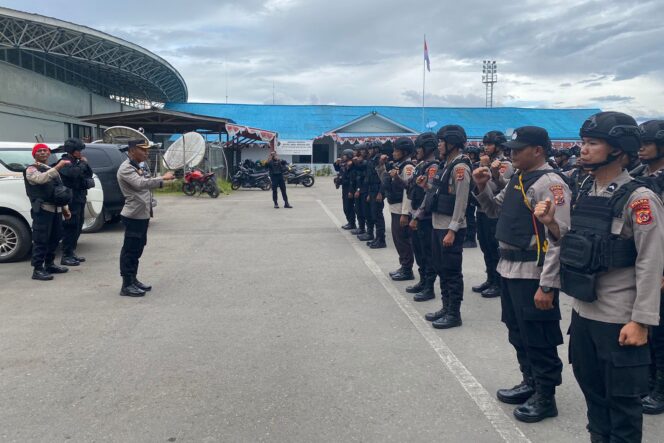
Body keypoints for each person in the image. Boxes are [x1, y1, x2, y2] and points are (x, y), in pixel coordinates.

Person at [542, 112, 664, 441]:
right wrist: (553, 224)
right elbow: (577, 245)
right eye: (583, 142)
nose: (582, 149)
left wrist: (641, 320)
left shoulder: (640, 199)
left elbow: (652, 262)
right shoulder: (586, 189)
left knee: (623, 409)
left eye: (592, 143)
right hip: (584, 313)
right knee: (594, 401)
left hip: (619, 320)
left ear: (619, 150)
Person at [473, 126, 570, 423]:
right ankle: (530, 381)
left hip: (534, 272)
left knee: (538, 335)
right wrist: (483, 186)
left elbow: (560, 237)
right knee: (518, 331)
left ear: (538, 150)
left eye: (519, 149)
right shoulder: (518, 176)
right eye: (511, 148)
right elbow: (494, 210)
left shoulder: (550, 183)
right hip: (510, 268)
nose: (512, 153)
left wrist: (548, 285)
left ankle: (545, 396)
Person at [423, 125, 471, 329]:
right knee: (441, 268)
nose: (439, 145)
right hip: (438, 223)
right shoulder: (447, 164)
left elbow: (461, 202)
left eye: (442, 141)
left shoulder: (461, 168)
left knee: (452, 271)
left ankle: (454, 313)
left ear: (452, 143)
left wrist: (453, 230)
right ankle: (445, 306)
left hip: (450, 228)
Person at [631, 119, 664, 415]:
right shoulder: (640, 175)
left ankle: (661, 388)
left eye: (647, 142)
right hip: (648, 261)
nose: (641, 147)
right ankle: (649, 380)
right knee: (649, 327)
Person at [117, 140, 175, 297]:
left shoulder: (137, 166)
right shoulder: (126, 168)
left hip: (141, 214)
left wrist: (163, 180)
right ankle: (126, 284)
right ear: (133, 150)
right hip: (133, 215)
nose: (147, 153)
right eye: (144, 150)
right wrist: (163, 178)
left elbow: (147, 182)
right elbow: (141, 184)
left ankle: (133, 279)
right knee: (130, 250)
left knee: (138, 249)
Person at [473, 131, 514, 299]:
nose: (486, 147)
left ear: (498, 146)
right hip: (482, 209)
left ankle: (498, 282)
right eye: (485, 144)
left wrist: (492, 169)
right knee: (485, 247)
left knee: (495, 248)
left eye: (489, 144)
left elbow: (500, 187)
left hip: (495, 211)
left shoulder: (505, 164)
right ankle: (490, 278)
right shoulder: (484, 162)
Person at [24, 143, 72, 280]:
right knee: (41, 239)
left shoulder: (50, 169)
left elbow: (59, 189)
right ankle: (38, 269)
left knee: (55, 238)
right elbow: (40, 179)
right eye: (39, 151)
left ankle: (50, 264)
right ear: (34, 154)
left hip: (56, 209)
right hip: (43, 210)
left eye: (45, 150)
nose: (43, 153)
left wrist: (65, 209)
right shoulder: (31, 169)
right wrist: (58, 167)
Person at [406, 133, 439, 301]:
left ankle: (429, 286)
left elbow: (430, 193)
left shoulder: (433, 167)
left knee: (427, 253)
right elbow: (410, 186)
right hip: (415, 212)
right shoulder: (421, 165)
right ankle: (422, 280)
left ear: (427, 148)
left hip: (425, 217)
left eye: (419, 147)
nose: (417, 150)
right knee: (418, 251)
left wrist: (417, 216)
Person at [54, 138, 94, 266]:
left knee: (78, 225)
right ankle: (66, 254)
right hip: (70, 198)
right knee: (70, 226)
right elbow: (73, 173)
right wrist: (82, 164)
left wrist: (84, 164)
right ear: (72, 150)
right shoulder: (64, 162)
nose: (80, 152)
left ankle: (71, 251)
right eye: (78, 150)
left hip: (80, 197)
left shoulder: (77, 161)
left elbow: (89, 173)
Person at [380, 137, 416, 279]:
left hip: (402, 210)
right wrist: (381, 166)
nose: (393, 153)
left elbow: (408, 191)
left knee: (403, 240)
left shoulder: (408, 167)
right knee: (398, 239)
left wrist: (405, 213)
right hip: (395, 208)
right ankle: (403, 266)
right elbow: (385, 181)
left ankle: (407, 269)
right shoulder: (398, 165)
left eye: (396, 150)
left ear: (405, 152)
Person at [364, 141, 389, 248]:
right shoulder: (372, 159)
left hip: (378, 190)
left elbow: (384, 179)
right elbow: (370, 178)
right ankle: (377, 238)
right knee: (374, 215)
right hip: (372, 190)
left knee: (378, 216)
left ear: (377, 149)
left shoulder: (380, 159)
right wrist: (370, 193)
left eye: (371, 149)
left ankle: (381, 240)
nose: (369, 151)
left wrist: (380, 193)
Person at [462, 145, 481, 248]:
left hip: (473, 193)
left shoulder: (477, 165)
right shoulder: (466, 164)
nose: (470, 156)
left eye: (472, 154)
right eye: (468, 154)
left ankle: (471, 238)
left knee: (470, 217)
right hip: (466, 192)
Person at [335, 149, 356, 230]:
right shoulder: (344, 164)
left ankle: (352, 223)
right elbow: (338, 169)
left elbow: (352, 179)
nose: (343, 157)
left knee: (348, 207)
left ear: (349, 156)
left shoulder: (351, 165)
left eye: (345, 155)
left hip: (349, 188)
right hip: (344, 187)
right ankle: (350, 222)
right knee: (346, 207)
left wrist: (351, 191)